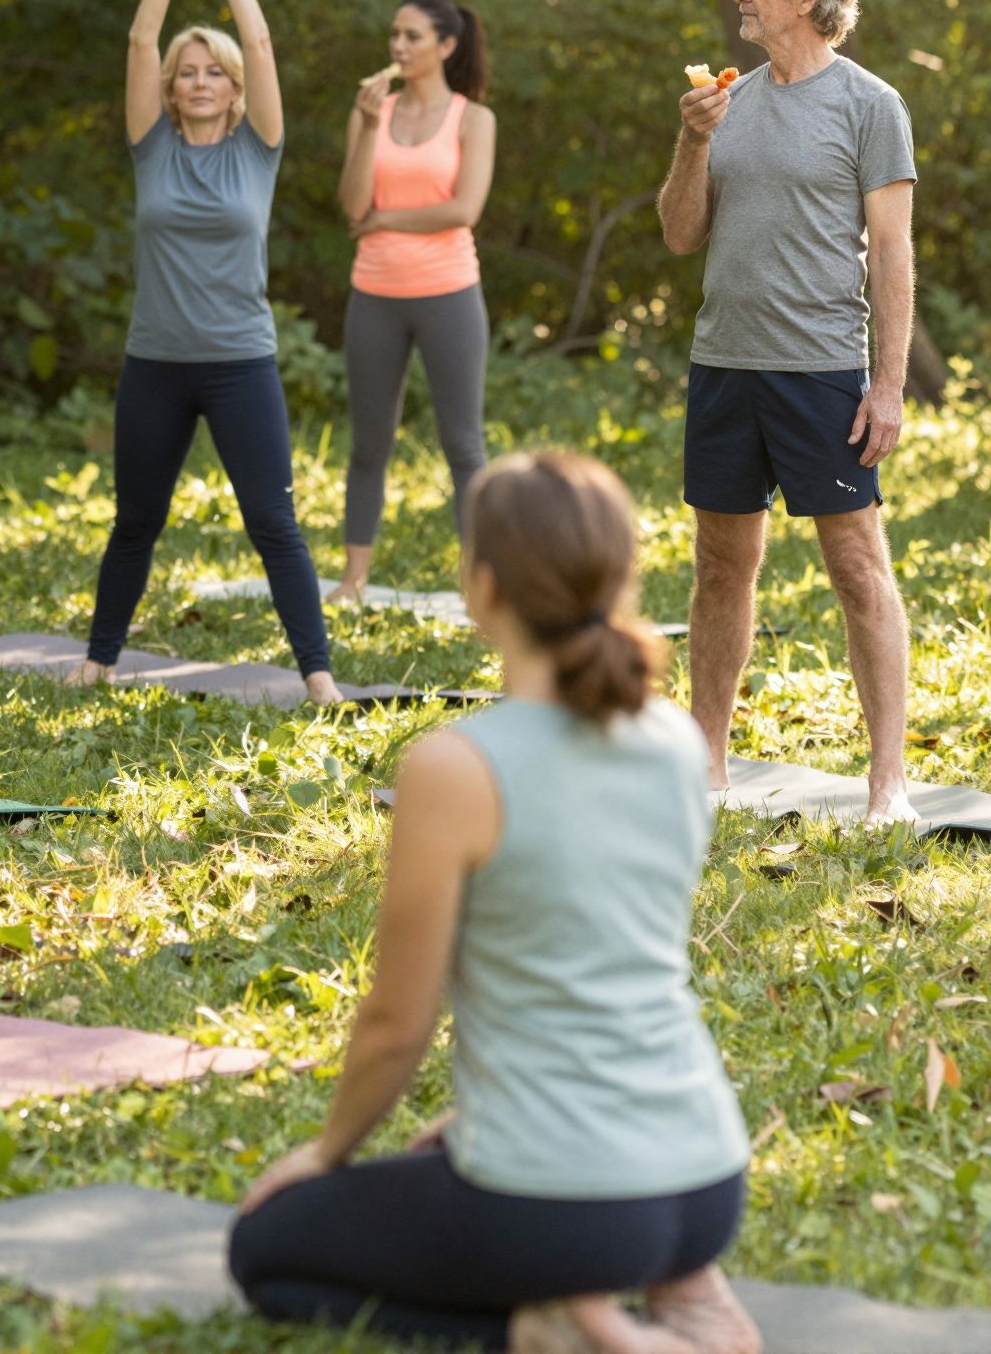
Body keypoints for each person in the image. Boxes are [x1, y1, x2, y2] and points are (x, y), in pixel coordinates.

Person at [230, 453, 755, 1354]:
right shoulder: (674, 738)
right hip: (707, 1180)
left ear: (482, 588)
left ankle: (565, 1329)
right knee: (447, 1169)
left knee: (268, 1252)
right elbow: (592, 956)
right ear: (621, 577)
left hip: (566, 1204)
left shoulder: (454, 768)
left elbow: (398, 1022)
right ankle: (678, 1287)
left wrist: (325, 1156)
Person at [658, 0, 918, 826]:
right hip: (724, 365)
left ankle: (889, 787)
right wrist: (692, 143)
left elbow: (891, 255)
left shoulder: (870, 105)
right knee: (719, 567)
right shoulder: (727, 101)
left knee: (857, 568)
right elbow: (681, 234)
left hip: (822, 374)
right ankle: (709, 768)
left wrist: (885, 385)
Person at [72, 0, 341, 704]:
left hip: (239, 364)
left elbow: (259, 45)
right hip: (155, 363)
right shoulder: (150, 146)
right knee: (135, 522)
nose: (194, 79)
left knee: (273, 523)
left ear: (231, 89)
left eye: (209, 71)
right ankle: (97, 660)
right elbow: (137, 39)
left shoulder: (258, 149)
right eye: (183, 71)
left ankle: (320, 677)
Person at [331, 0, 496, 604]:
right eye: (394, 35)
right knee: (369, 443)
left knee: (463, 444)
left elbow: (463, 209)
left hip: (449, 293)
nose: (397, 47)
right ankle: (352, 580)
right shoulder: (371, 111)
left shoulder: (474, 119)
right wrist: (370, 127)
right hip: (373, 294)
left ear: (446, 47)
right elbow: (352, 207)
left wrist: (385, 221)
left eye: (412, 37)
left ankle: (482, 586)